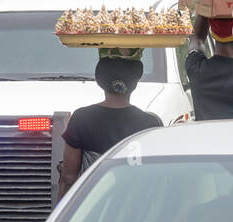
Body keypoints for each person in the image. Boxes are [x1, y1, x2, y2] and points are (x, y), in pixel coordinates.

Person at [57, 49, 162, 200]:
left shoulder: (81, 118)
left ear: (99, 80)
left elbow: (68, 178)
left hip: (94, 207)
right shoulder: (151, 123)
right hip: (135, 207)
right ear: (135, 81)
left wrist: (59, 217)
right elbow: (155, 176)